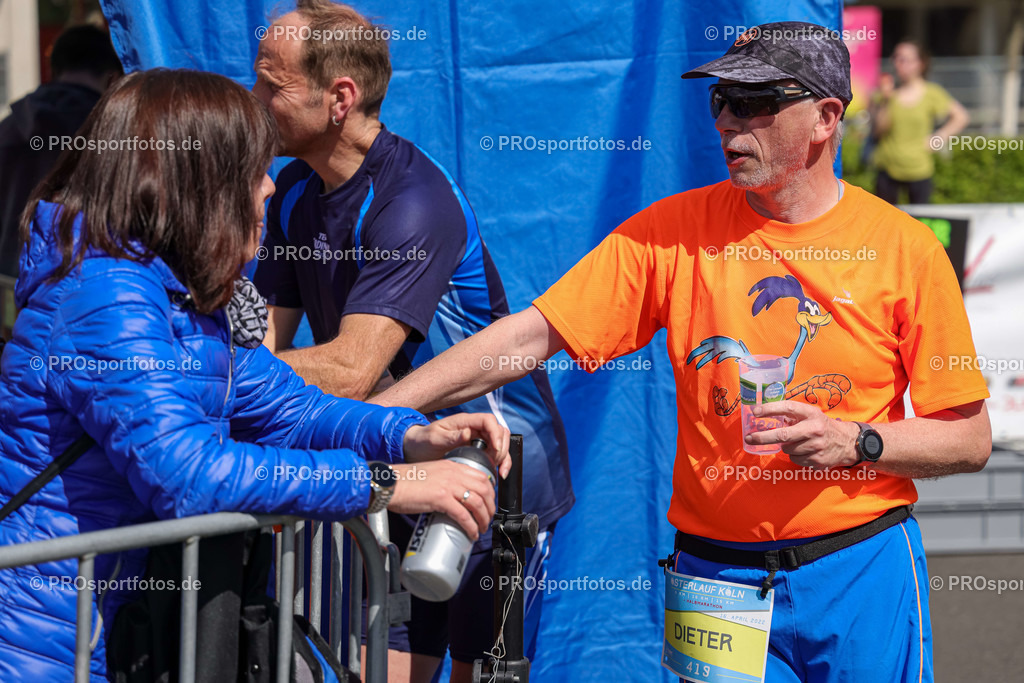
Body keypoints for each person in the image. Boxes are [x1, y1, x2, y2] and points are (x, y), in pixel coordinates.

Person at [372, 22, 993, 682]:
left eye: (755, 103)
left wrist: (858, 441)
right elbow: (529, 336)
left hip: (859, 568)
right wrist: (374, 414)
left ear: (826, 117)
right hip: (717, 575)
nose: (729, 122)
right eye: (720, 100)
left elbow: (969, 438)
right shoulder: (674, 232)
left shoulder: (904, 248)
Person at [0, 68, 510, 682]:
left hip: (114, 624)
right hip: (48, 643)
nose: (268, 186)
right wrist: (382, 484)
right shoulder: (105, 293)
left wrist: (410, 436)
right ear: (196, 183)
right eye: (250, 170)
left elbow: (290, 408)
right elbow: (188, 474)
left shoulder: (180, 292)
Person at [250, 2, 573, 680]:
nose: (254, 103)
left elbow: (348, 371)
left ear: (340, 98)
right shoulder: (288, 199)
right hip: (398, 459)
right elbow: (260, 348)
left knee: (474, 672)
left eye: (269, 85)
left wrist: (213, 379)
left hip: (493, 475)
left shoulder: (412, 199)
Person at [0, 24, 122, 280]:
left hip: (8, 280)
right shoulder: (108, 133)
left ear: (53, 69)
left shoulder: (8, 128)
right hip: (76, 284)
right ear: (112, 77)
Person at [869, 40, 969, 204]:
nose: (898, 63)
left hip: (919, 169)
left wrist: (937, 139)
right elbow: (878, 131)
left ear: (919, 64)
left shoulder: (931, 93)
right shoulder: (886, 95)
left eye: (904, 59)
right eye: (896, 58)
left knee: (920, 222)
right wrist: (885, 102)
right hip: (887, 168)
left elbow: (961, 117)